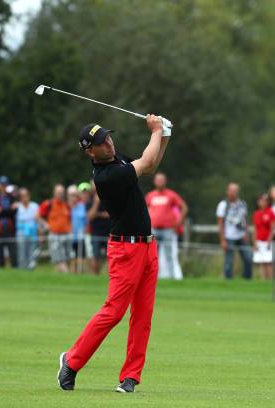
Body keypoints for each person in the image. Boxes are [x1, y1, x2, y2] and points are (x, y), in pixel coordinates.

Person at [58, 115, 169, 394]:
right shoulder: (106, 177)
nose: (108, 142)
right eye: (100, 142)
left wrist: (165, 134)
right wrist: (156, 131)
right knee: (114, 312)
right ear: (89, 151)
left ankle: (131, 376)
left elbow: (151, 163)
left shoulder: (117, 159)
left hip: (147, 247)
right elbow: (144, 163)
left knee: (143, 316)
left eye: (107, 136)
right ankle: (71, 361)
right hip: (125, 250)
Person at [145, 172, 187, 280]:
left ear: (165, 181)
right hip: (153, 230)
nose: (160, 182)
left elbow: (184, 207)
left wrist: (179, 222)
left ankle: (173, 278)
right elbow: (144, 210)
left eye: (162, 180)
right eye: (158, 180)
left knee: (170, 256)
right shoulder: (150, 196)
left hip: (168, 230)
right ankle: (152, 278)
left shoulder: (171, 195)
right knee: (151, 256)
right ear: (154, 182)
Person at [216, 182, 253, 279]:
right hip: (229, 236)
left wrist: (246, 233)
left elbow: (245, 219)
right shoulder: (223, 205)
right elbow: (220, 224)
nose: (233, 193)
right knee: (229, 261)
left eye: (235, 191)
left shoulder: (242, 204)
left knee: (248, 259)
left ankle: (247, 280)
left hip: (241, 235)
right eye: (231, 191)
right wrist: (222, 240)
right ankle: (228, 282)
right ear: (227, 191)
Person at [39, 184, 72, 273]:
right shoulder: (48, 204)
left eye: (62, 192)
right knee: (59, 259)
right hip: (55, 235)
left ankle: (60, 278)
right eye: (58, 192)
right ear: (54, 193)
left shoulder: (66, 205)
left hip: (66, 235)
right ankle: (68, 277)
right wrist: (45, 224)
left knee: (67, 259)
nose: (60, 194)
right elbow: (38, 216)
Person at [0, 175, 18, 268]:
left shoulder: (12, 198)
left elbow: (13, 212)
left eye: (5, 185)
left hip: (10, 228)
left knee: (13, 252)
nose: (3, 187)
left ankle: (15, 269)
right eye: (1, 185)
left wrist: (3, 211)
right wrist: (7, 211)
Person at [86, 184, 110, 275]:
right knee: (95, 257)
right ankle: (95, 275)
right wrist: (96, 203)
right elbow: (90, 216)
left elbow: (111, 215)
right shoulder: (90, 201)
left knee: (109, 257)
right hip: (95, 234)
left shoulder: (108, 199)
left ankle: (109, 275)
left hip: (108, 233)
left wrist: (98, 214)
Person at [252, 193, 275, 279]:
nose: (262, 202)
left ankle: (270, 279)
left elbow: (272, 228)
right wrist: (254, 242)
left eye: (264, 200)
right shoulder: (256, 214)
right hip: (259, 241)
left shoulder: (270, 212)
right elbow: (255, 229)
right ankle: (263, 279)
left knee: (268, 262)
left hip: (267, 241)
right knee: (261, 262)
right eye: (260, 200)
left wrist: (269, 240)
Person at [15, 187, 39, 270]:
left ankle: (31, 271)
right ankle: (22, 270)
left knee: (32, 255)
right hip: (21, 235)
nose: (24, 198)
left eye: (26, 195)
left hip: (32, 235)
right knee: (22, 255)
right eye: (22, 196)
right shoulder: (17, 207)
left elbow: (38, 220)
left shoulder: (35, 206)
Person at [70, 184, 88, 273]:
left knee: (82, 257)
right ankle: (72, 274)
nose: (74, 199)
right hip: (70, 236)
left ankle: (80, 273)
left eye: (75, 197)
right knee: (72, 258)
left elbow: (86, 219)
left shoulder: (82, 206)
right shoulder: (67, 207)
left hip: (81, 236)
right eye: (72, 197)